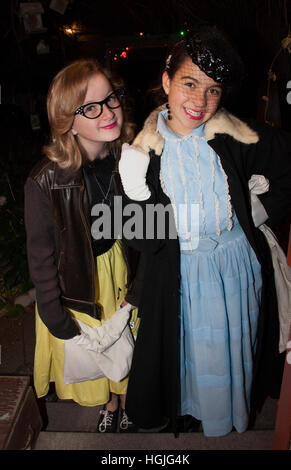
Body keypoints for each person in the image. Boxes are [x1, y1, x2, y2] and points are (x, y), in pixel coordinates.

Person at [118, 26, 291, 436]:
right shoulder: (142, 150)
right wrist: (135, 191)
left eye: (213, 90)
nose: (200, 101)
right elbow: (139, 239)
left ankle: (225, 416)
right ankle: (193, 416)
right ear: (166, 81)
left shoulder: (236, 135)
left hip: (236, 270)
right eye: (190, 84)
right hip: (181, 276)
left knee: (231, 353)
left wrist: (254, 212)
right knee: (189, 357)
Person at [24, 58, 141, 433]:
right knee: (95, 352)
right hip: (79, 282)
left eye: (111, 99)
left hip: (120, 268)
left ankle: (127, 398)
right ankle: (109, 402)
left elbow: (151, 228)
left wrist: (143, 281)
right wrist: (52, 311)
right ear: (66, 120)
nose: (107, 113)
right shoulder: (43, 181)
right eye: (90, 107)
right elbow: (41, 256)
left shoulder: (134, 159)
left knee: (126, 341)